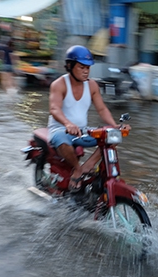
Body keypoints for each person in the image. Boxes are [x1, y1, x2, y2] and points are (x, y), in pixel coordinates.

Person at [48, 45, 131, 191]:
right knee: (62, 141)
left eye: (88, 67)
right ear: (69, 66)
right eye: (81, 67)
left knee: (112, 137)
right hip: (61, 129)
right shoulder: (59, 84)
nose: (86, 71)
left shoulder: (92, 85)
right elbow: (54, 108)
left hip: (82, 130)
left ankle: (88, 166)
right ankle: (77, 169)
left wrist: (115, 126)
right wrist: (68, 124)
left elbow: (102, 109)